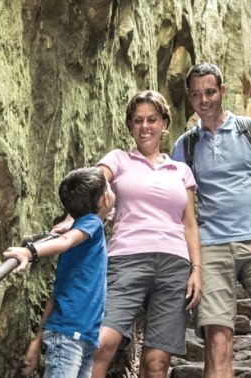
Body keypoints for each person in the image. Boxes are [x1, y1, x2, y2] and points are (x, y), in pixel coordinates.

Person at [170, 63, 251, 378]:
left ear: (222, 91)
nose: (204, 100)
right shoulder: (184, 146)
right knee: (217, 338)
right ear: (189, 98)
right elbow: (174, 203)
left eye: (210, 92)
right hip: (211, 248)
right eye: (197, 94)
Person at [84, 91, 204, 378]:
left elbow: (189, 223)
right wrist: (68, 220)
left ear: (164, 124)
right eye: (138, 121)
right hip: (126, 259)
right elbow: (90, 185)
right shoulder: (119, 159)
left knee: (156, 364)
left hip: (175, 264)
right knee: (101, 344)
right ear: (130, 126)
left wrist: (196, 269)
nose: (145, 126)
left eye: (152, 119)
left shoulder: (181, 171)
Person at [6, 168, 116, 378]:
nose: (112, 189)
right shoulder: (92, 224)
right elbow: (66, 241)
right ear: (103, 200)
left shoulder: (85, 230)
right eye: (108, 187)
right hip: (70, 336)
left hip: (83, 336)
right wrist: (29, 252)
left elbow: (58, 292)